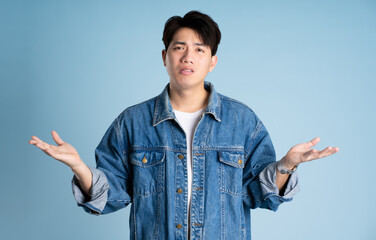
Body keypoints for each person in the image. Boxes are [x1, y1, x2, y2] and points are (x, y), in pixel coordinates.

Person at [29, 10, 339, 240]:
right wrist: (79, 167)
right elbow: (112, 196)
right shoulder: (133, 122)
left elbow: (260, 195)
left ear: (212, 61)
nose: (187, 57)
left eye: (199, 49)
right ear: (165, 56)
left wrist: (285, 166)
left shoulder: (242, 121)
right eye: (179, 48)